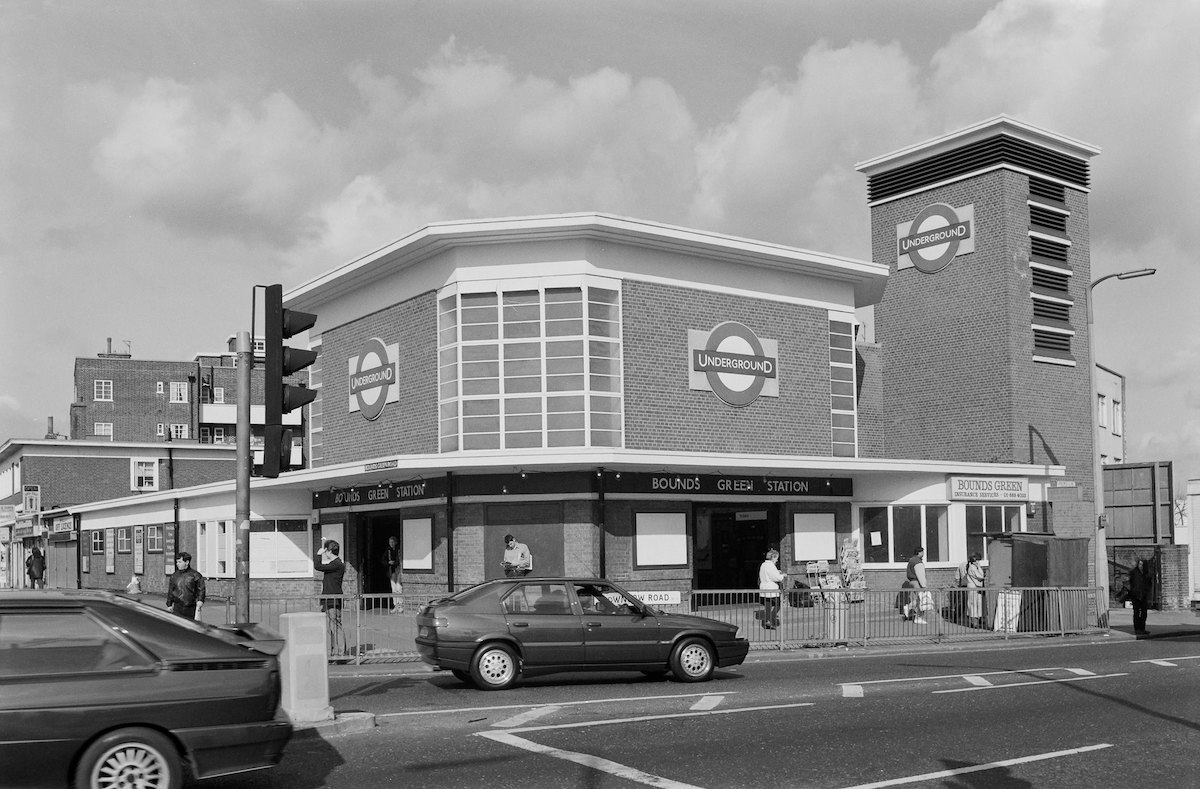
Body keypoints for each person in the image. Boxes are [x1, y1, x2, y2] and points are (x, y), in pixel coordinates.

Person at [315, 540, 348, 655]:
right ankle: (335, 652)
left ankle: (340, 652)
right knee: (331, 626)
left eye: (326, 551)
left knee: (335, 625)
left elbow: (318, 566)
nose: (325, 553)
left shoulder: (336, 564)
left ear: (329, 551)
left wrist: (319, 554)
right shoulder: (336, 564)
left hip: (333, 599)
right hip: (329, 598)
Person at [165, 552, 206, 620]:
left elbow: (201, 589)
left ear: (187, 562)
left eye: (180, 562)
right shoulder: (174, 576)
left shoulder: (195, 575)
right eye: (177, 562)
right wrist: (169, 604)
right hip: (177, 607)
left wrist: (200, 600)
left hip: (190, 607)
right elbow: (171, 591)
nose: (177, 564)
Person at [758, 548, 786, 629]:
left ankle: (767, 621)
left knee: (768, 605)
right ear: (773, 557)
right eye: (776, 558)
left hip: (764, 588)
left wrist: (777, 571)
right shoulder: (771, 565)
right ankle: (771, 619)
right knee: (778, 604)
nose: (777, 560)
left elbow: (768, 574)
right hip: (772, 588)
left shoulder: (763, 565)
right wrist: (782, 575)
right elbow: (776, 578)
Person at [902, 546, 929, 625]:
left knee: (919, 599)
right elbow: (920, 574)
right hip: (917, 582)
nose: (923, 553)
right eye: (923, 552)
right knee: (922, 599)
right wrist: (924, 586)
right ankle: (918, 617)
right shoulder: (917, 562)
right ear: (919, 552)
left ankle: (908, 607)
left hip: (912, 581)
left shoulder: (911, 560)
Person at [1128, 557, 1152, 636]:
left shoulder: (1146, 573)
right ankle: (1137, 629)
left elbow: (1149, 584)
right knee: (1136, 612)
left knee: (1144, 613)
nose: (1140, 566)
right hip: (1135, 595)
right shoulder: (1134, 572)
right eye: (1139, 564)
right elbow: (1131, 583)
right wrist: (1134, 592)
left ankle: (1142, 628)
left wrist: (1147, 591)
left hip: (1144, 595)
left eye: (1142, 564)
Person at [963, 552, 985, 628]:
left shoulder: (975, 567)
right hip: (973, 588)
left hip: (976, 588)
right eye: (978, 560)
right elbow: (980, 576)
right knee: (973, 605)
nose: (979, 562)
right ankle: (974, 622)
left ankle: (975, 621)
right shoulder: (972, 567)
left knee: (977, 604)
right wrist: (979, 568)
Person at [384, 535, 404, 613]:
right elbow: (383, 560)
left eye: (392, 542)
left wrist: (395, 562)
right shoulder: (388, 550)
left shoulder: (399, 549)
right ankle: (395, 605)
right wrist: (388, 562)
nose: (391, 544)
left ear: (396, 542)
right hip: (392, 571)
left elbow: (400, 559)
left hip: (399, 569)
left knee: (399, 587)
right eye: (390, 542)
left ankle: (400, 605)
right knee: (393, 588)